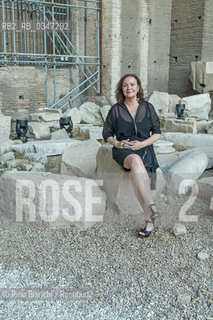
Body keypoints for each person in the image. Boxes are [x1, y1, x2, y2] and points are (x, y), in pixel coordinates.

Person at [102, 74, 161, 238]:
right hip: (124, 150)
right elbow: (106, 133)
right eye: (125, 85)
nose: (129, 88)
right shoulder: (116, 109)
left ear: (138, 88)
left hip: (144, 147)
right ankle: (151, 206)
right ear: (122, 89)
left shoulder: (148, 107)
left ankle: (149, 220)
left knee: (137, 174)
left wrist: (142, 144)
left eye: (132, 84)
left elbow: (157, 133)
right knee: (135, 161)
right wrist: (117, 144)